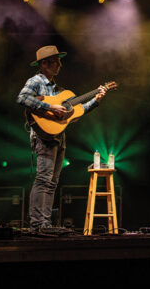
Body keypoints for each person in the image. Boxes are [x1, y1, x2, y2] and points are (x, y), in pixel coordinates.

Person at [16, 45, 106, 229]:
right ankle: (37, 224)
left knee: (52, 182)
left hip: (58, 136)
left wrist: (96, 100)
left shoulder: (59, 89)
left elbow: (76, 112)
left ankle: (45, 223)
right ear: (45, 64)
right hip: (44, 137)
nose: (60, 65)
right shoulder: (36, 81)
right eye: (57, 61)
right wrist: (50, 107)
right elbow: (22, 98)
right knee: (43, 179)